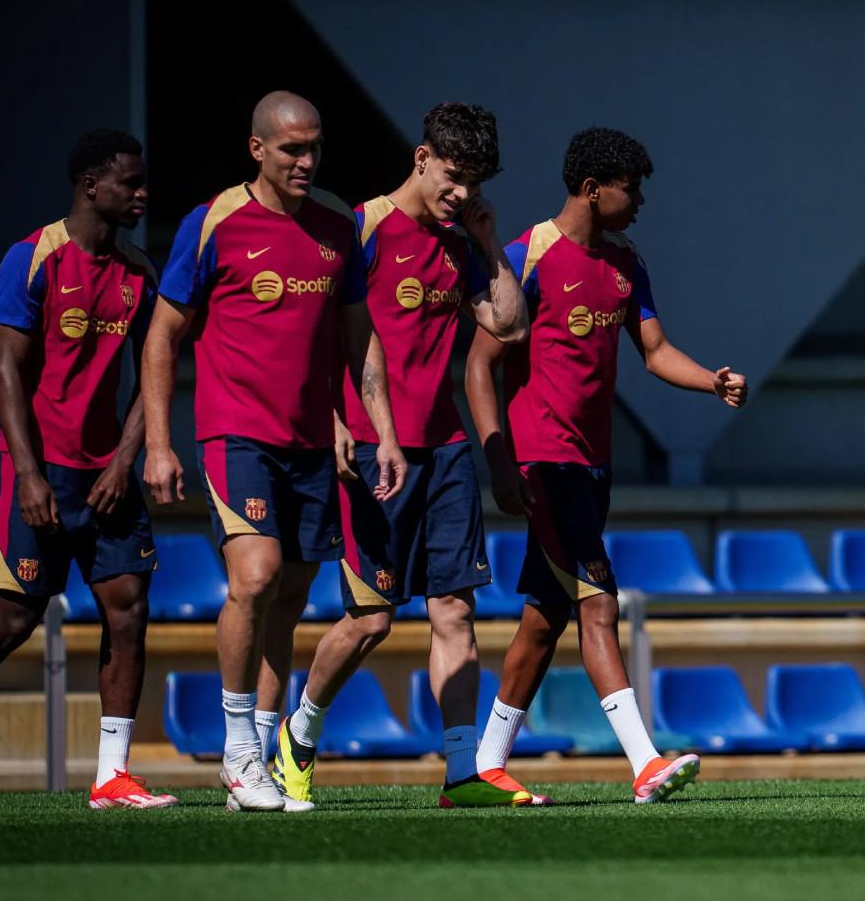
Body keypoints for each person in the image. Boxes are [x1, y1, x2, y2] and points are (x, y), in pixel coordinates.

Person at [466, 127, 747, 804]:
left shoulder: (626, 263)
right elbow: (479, 365)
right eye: (633, 186)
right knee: (600, 599)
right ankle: (646, 764)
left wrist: (710, 380)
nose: (642, 200)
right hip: (542, 462)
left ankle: (484, 763)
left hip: (592, 466)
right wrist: (499, 457)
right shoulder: (524, 256)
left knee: (545, 615)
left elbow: (654, 351)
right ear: (593, 189)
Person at [141, 92, 406, 812]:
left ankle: (258, 762)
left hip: (313, 441)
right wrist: (159, 443)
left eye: (315, 147)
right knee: (253, 578)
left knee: (289, 597)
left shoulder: (334, 229)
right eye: (292, 149)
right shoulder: (212, 224)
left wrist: (377, 427)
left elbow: (359, 339)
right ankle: (235, 755)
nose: (306, 161)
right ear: (256, 148)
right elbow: (162, 336)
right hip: (235, 432)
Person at [270, 102, 529, 810]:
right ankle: (300, 732)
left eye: (474, 182)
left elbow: (509, 324)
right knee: (372, 620)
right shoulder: (363, 227)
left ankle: (460, 773)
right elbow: (315, 336)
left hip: (444, 448)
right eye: (453, 177)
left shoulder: (462, 237)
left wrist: (488, 240)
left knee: (454, 610)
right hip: (369, 449)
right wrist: (330, 423)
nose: (462, 193)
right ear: (422, 157)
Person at [0, 129, 174, 809]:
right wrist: (28, 474)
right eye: (130, 182)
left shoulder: (141, 273)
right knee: (16, 617)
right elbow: (3, 369)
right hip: (40, 467)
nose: (142, 194)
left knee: (128, 609)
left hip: (107, 472)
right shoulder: (30, 259)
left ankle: (111, 774)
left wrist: (125, 458)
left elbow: (153, 377)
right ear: (91, 185)